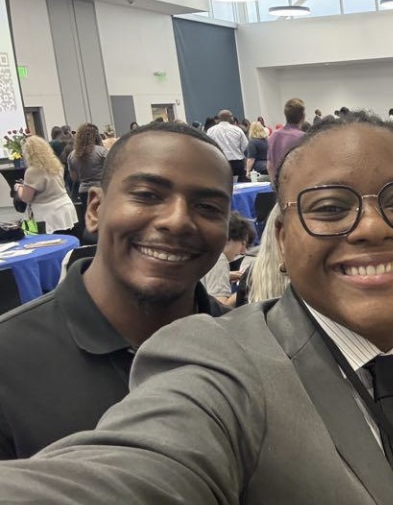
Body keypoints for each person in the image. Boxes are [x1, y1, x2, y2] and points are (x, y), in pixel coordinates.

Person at [0, 113, 393, 505]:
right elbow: (125, 489)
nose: (372, 228)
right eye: (329, 207)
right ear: (283, 240)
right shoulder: (223, 365)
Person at [0, 123, 233, 459]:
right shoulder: (9, 363)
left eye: (208, 207)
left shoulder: (247, 347)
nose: (177, 221)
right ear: (95, 209)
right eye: (148, 195)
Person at [13, 136, 78, 235]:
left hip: (48, 214)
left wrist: (19, 187)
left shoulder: (32, 171)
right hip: (65, 208)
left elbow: (26, 198)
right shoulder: (56, 164)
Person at [202, 211, 256, 308]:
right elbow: (221, 306)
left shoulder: (205, 255)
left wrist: (227, 275)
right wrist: (248, 286)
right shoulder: (219, 259)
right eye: (243, 243)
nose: (243, 250)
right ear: (226, 239)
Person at [266, 98, 306, 179]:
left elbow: (270, 166)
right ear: (303, 117)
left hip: (279, 182)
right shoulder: (303, 138)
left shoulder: (274, 136)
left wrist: (275, 184)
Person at [66, 122, 107, 201]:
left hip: (83, 191)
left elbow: (74, 177)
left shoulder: (72, 155)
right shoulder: (102, 152)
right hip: (102, 189)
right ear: (96, 136)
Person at [207, 110, 249, 182]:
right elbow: (245, 148)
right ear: (229, 118)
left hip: (219, 162)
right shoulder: (237, 130)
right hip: (236, 163)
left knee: (222, 183)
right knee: (238, 184)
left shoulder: (211, 131)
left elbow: (208, 147)